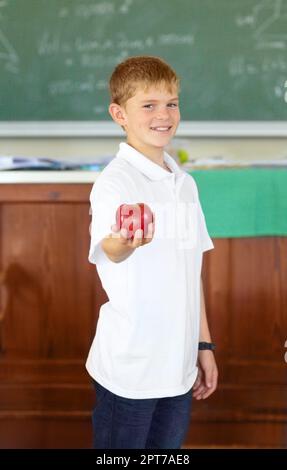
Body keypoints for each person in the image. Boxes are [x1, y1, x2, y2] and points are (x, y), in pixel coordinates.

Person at [86, 55, 218, 449]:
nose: (164, 115)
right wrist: (123, 242)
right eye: (148, 105)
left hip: (177, 368)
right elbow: (110, 250)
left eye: (171, 103)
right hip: (131, 369)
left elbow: (191, 271)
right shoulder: (115, 182)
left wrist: (203, 345)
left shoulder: (185, 184)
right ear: (118, 113)